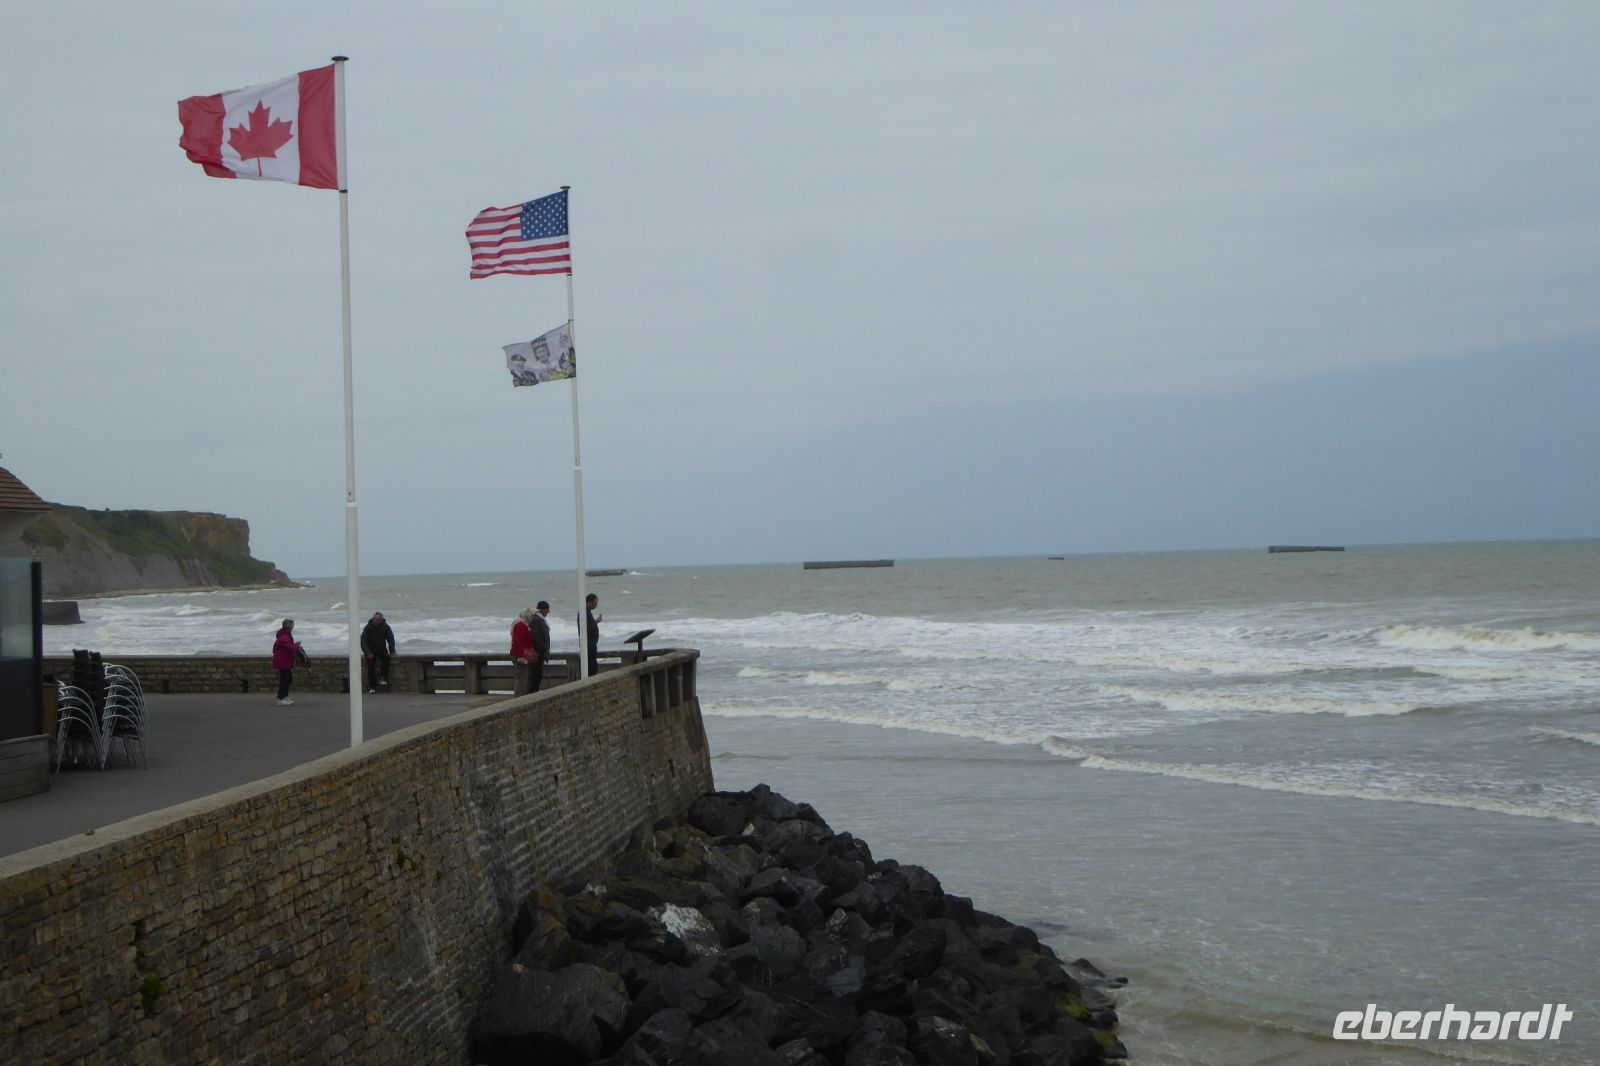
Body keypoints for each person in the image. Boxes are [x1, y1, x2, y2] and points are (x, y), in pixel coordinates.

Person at [360, 611, 396, 694]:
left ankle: (383, 678)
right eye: (375, 619)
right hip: (370, 649)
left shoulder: (385, 627)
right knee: (370, 666)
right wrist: (367, 652)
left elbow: (390, 638)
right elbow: (363, 641)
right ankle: (372, 687)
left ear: (381, 619)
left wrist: (392, 650)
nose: (376, 621)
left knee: (386, 658)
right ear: (372, 619)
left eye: (378, 619)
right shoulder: (368, 627)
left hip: (381, 649)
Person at [271, 619, 303, 706]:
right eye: (292, 625)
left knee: (288, 679)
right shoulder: (284, 637)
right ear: (288, 627)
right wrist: (297, 645)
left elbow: (289, 646)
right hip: (282, 662)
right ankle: (280, 699)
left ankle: (285, 697)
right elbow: (290, 648)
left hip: (285, 661)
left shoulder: (286, 636)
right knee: (285, 680)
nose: (293, 627)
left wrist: (295, 645)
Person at [511, 608, 538, 696]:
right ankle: (519, 697)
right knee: (522, 677)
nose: (531, 618)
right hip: (520, 655)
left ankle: (520, 695)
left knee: (522, 677)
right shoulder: (521, 625)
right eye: (530, 615)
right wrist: (521, 656)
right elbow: (519, 641)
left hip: (519, 654)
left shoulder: (519, 623)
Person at [530, 601, 552, 693]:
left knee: (538, 674)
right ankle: (533, 693)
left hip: (540, 652)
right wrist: (544, 649)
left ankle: (535, 691)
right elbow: (536, 638)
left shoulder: (540, 619)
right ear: (542, 609)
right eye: (547, 609)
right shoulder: (536, 620)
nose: (548, 611)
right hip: (537, 653)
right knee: (536, 674)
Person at [581, 593, 601, 678]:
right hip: (588, 645)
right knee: (591, 668)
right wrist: (596, 622)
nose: (596, 605)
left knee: (593, 667)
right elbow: (585, 629)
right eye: (595, 603)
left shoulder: (588, 612)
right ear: (590, 602)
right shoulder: (584, 613)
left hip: (591, 644)